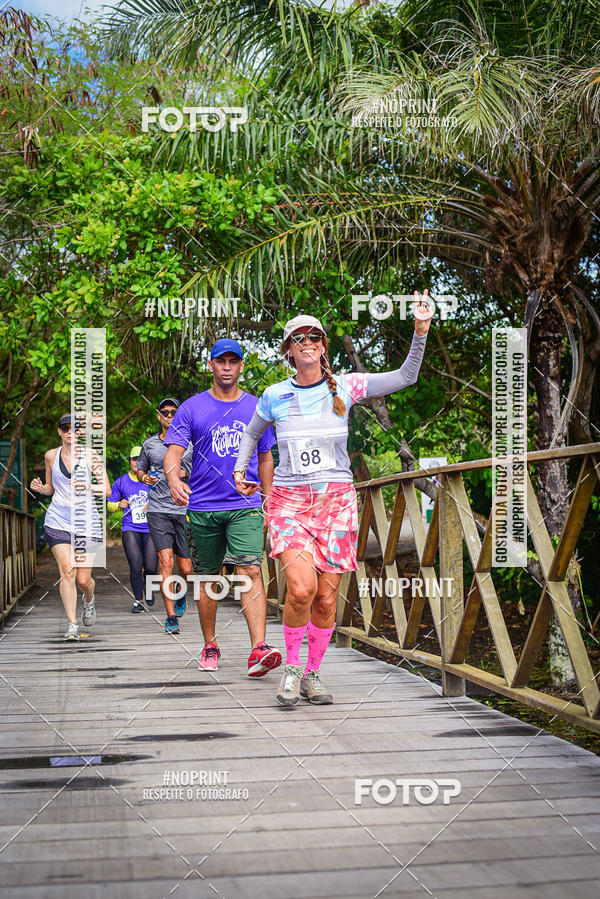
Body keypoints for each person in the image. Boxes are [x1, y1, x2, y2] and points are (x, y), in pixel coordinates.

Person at [233, 296, 432, 707]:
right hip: (289, 501)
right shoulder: (272, 395)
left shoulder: (347, 386)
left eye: (314, 337)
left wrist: (420, 332)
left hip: (337, 502)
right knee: (301, 589)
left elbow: (407, 376)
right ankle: (290, 670)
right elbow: (251, 435)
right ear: (289, 350)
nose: (306, 342)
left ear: (323, 346)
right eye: (297, 338)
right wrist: (240, 470)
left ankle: (313, 674)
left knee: (326, 599)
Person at [163, 337, 282, 676]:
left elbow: (266, 456)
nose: (227, 367)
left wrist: (268, 499)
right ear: (212, 366)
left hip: (244, 504)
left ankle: (259, 648)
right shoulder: (191, 407)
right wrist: (174, 480)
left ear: (242, 366)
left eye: (233, 361)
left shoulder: (257, 407)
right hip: (202, 507)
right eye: (221, 361)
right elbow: (173, 451)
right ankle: (210, 644)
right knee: (207, 579)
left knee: (251, 570)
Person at [30, 413, 111, 641]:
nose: (70, 432)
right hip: (58, 521)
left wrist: (87, 486)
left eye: (74, 428)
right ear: (59, 431)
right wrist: (40, 488)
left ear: (80, 432)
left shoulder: (91, 456)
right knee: (67, 570)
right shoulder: (51, 456)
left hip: (86, 523)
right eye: (65, 428)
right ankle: (72, 625)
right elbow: (50, 488)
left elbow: (107, 490)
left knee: (83, 580)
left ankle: (89, 600)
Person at [137, 398, 193, 634]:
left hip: (183, 509)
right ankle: (171, 616)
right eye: (165, 412)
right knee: (166, 561)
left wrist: (178, 472)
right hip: (158, 509)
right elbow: (140, 468)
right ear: (159, 417)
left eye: (173, 412)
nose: (169, 416)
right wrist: (143, 478)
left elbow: (197, 471)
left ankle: (181, 595)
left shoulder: (190, 445)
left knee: (187, 569)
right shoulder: (149, 445)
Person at [107, 446, 158, 613]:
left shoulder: (152, 480)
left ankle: (149, 589)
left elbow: (164, 497)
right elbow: (110, 504)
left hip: (150, 527)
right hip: (130, 527)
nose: (137, 462)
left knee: (150, 566)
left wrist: (152, 503)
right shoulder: (121, 482)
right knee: (136, 564)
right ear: (130, 461)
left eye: (140, 459)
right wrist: (118, 504)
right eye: (134, 459)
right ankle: (139, 600)